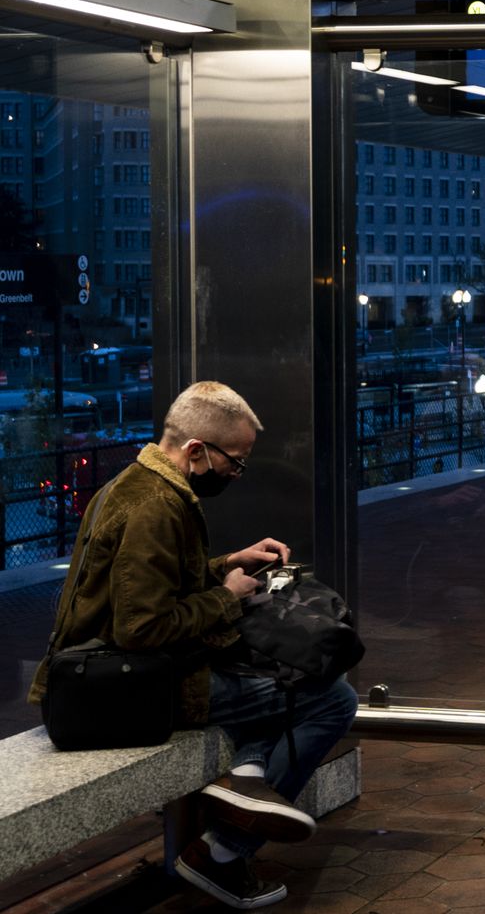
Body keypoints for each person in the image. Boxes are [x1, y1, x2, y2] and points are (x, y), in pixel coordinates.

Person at [30, 381, 357, 910]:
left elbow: (153, 589)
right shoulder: (156, 508)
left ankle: (248, 777)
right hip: (122, 692)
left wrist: (227, 564)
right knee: (329, 696)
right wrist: (227, 598)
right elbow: (143, 627)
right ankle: (223, 852)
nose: (236, 473)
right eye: (236, 461)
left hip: (119, 678)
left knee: (278, 671)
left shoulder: (133, 487)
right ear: (197, 451)